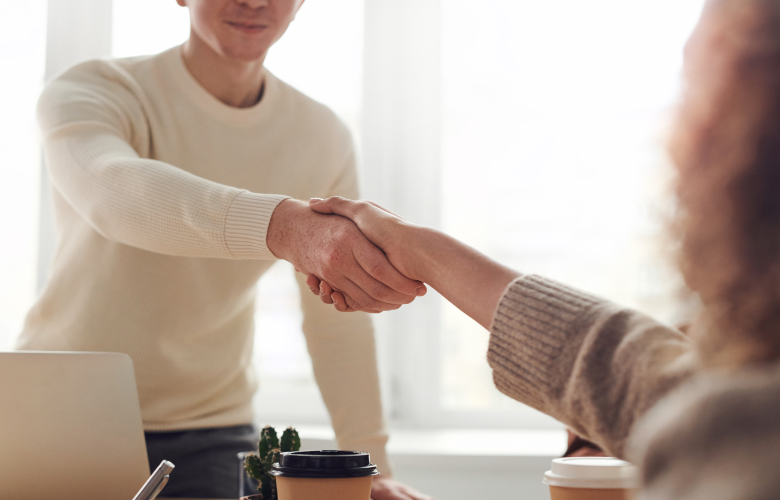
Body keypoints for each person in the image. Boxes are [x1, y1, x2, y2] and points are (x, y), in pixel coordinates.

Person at [306, 0, 780, 497]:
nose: (672, 140)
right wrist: (421, 250)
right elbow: (640, 377)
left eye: (693, 95)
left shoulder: (742, 441)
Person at [18, 0, 432, 498]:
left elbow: (335, 320)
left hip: (210, 432)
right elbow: (114, 193)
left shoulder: (321, 136)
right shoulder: (93, 89)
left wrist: (373, 469)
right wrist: (282, 227)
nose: (253, 1)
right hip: (55, 412)